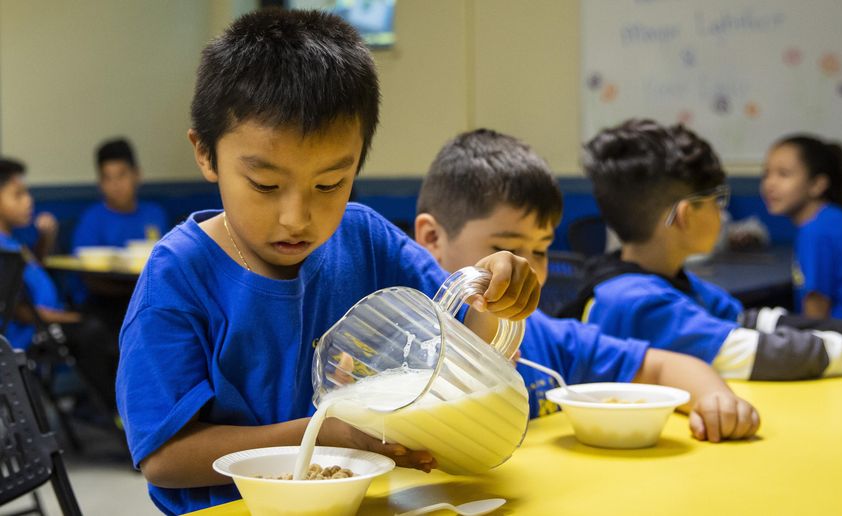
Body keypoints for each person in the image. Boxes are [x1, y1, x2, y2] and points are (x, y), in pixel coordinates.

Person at [115, 11, 540, 515]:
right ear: (205, 153)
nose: (297, 218)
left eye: (330, 184)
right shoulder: (180, 277)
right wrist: (322, 438)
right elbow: (164, 456)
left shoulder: (364, 238)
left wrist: (497, 295)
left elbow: (468, 341)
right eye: (266, 185)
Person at [414, 129, 759, 440]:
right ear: (432, 238)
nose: (528, 269)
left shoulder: (547, 338)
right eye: (505, 250)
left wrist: (717, 400)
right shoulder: (412, 354)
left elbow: (663, 366)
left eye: (539, 250)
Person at [560, 119, 842, 381]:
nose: (721, 212)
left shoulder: (671, 281)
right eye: (717, 201)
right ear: (686, 215)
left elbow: (750, 321)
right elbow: (759, 352)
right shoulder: (634, 301)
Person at [0, 158, 119, 414]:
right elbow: (18, 310)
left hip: (44, 323)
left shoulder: (11, 242)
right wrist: (70, 317)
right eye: (17, 195)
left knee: (105, 322)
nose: (28, 201)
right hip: (31, 333)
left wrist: (45, 238)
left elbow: (30, 271)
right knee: (94, 330)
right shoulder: (3, 251)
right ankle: (115, 410)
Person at [762, 135, 842, 320]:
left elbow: (816, 315)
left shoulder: (816, 231)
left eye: (783, 174)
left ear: (817, 185)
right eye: (766, 174)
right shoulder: (835, 219)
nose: (769, 184)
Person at [72, 138, 168, 249]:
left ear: (137, 175)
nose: (115, 185)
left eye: (121, 175)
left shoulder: (155, 214)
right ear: (100, 183)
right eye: (108, 178)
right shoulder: (91, 221)